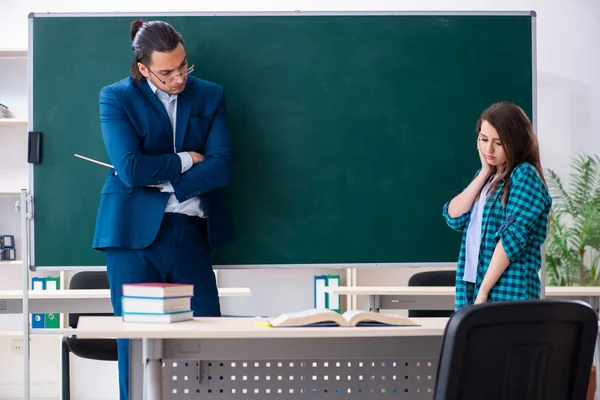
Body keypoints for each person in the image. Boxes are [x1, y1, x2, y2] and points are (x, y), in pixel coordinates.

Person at [92, 19, 235, 399]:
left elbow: (222, 165)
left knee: (206, 344)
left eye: (183, 66)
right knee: (136, 347)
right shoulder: (116, 97)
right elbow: (132, 169)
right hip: (131, 236)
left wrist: (168, 180)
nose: (178, 78)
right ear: (143, 69)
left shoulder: (210, 94)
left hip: (190, 232)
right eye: (166, 72)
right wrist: (188, 158)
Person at [442, 101, 552, 310]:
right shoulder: (486, 178)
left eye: (498, 143)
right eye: (484, 140)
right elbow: (454, 217)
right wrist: (484, 172)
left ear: (515, 142)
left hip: (506, 289)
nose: (488, 149)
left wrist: (484, 291)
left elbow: (512, 238)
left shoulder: (524, 175)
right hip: (471, 284)